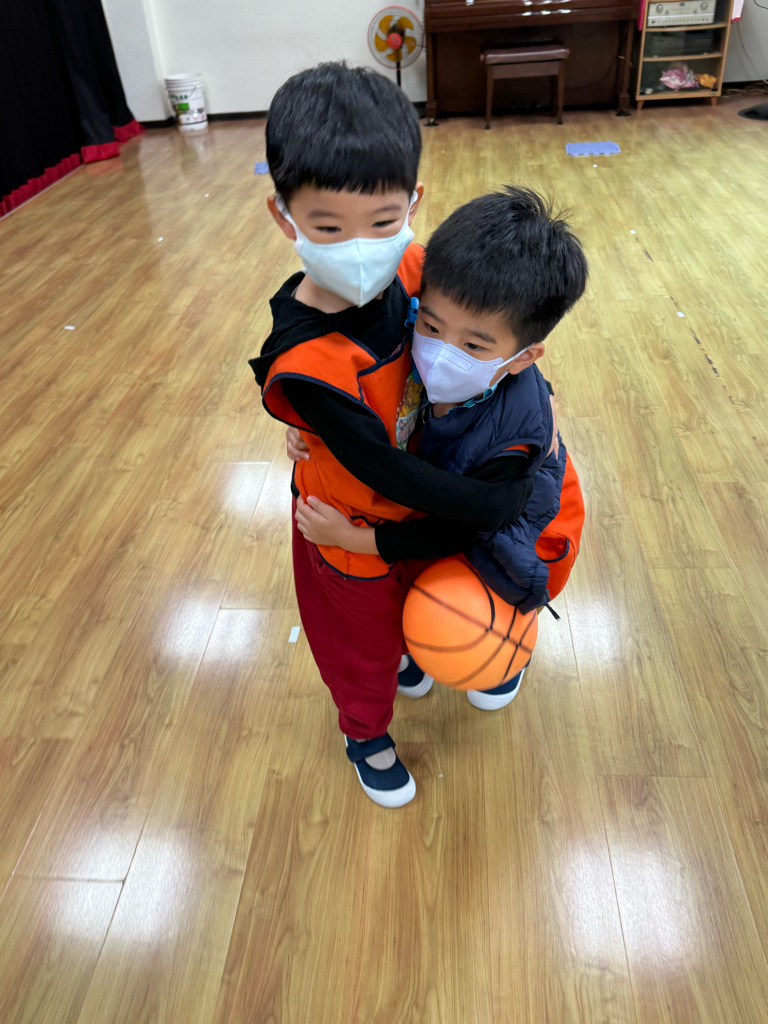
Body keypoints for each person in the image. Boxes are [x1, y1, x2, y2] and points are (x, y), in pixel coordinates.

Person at [249, 63, 536, 809]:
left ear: (413, 201)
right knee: (360, 651)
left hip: (417, 503)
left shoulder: (412, 263)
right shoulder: (306, 360)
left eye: (381, 221)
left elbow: (480, 334)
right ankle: (365, 735)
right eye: (328, 227)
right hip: (349, 530)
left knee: (414, 607)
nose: (360, 246)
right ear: (284, 216)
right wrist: (488, 505)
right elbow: (384, 471)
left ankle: (411, 653)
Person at [294, 185, 587, 711]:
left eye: (473, 345)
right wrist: (314, 427)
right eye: (429, 325)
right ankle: (422, 641)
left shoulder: (514, 441)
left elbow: (459, 529)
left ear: (523, 357)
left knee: (485, 603)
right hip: (453, 497)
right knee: (420, 586)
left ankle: (502, 659)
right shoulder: (424, 326)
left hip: (518, 535)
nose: (441, 351)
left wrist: (357, 541)